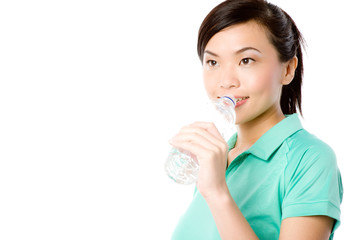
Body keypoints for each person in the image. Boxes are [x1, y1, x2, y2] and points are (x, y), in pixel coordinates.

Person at [168, 0, 343, 239]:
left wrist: (217, 193)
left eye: (246, 60)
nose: (226, 81)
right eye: (212, 62)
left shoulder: (310, 158)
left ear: (288, 70)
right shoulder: (219, 154)